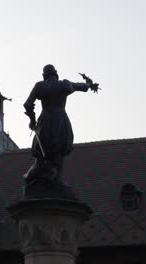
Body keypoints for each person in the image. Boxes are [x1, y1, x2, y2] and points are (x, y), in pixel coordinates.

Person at [23, 64, 98, 192]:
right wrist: (89, 84)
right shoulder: (64, 85)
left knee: (41, 157)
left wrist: (32, 120)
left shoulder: (40, 86)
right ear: (56, 74)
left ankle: (30, 177)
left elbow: (27, 104)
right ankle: (57, 179)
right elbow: (83, 87)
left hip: (45, 121)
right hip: (60, 120)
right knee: (60, 151)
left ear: (44, 76)